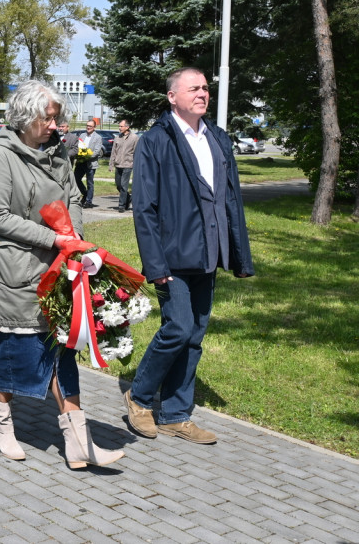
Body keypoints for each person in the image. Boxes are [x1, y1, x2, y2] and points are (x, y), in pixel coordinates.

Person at [0, 80, 124, 469]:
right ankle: (3, 425)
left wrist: (72, 235)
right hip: (15, 276)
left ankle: (78, 442)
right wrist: (54, 238)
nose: (54, 125)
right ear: (26, 118)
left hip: (59, 270)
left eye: (57, 118)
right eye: (48, 118)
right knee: (11, 354)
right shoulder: (1, 155)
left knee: (63, 354)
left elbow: (73, 197)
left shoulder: (58, 153)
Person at [125, 67, 254, 444]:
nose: (202, 93)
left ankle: (176, 414)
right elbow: (144, 208)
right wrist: (155, 263)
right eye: (194, 88)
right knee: (177, 328)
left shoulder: (216, 137)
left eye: (205, 88)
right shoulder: (155, 140)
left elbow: (231, 199)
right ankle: (140, 397)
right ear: (172, 96)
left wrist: (238, 254)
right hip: (172, 256)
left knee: (195, 334)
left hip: (208, 253)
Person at [108, 118, 137, 212]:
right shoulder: (117, 137)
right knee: (118, 185)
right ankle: (128, 198)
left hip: (128, 164)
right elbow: (113, 152)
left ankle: (121, 205)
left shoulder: (134, 138)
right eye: (119, 126)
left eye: (121, 126)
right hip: (118, 164)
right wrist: (111, 164)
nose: (119, 128)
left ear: (127, 127)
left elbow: (137, 152)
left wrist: (136, 165)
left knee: (124, 185)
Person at [78, 120, 104, 208]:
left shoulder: (98, 137)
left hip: (90, 163)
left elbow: (97, 151)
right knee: (76, 179)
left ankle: (88, 201)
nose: (88, 127)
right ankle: (85, 194)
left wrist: (87, 156)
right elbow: (78, 146)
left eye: (90, 126)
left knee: (90, 182)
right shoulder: (82, 135)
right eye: (87, 125)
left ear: (94, 128)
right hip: (81, 162)